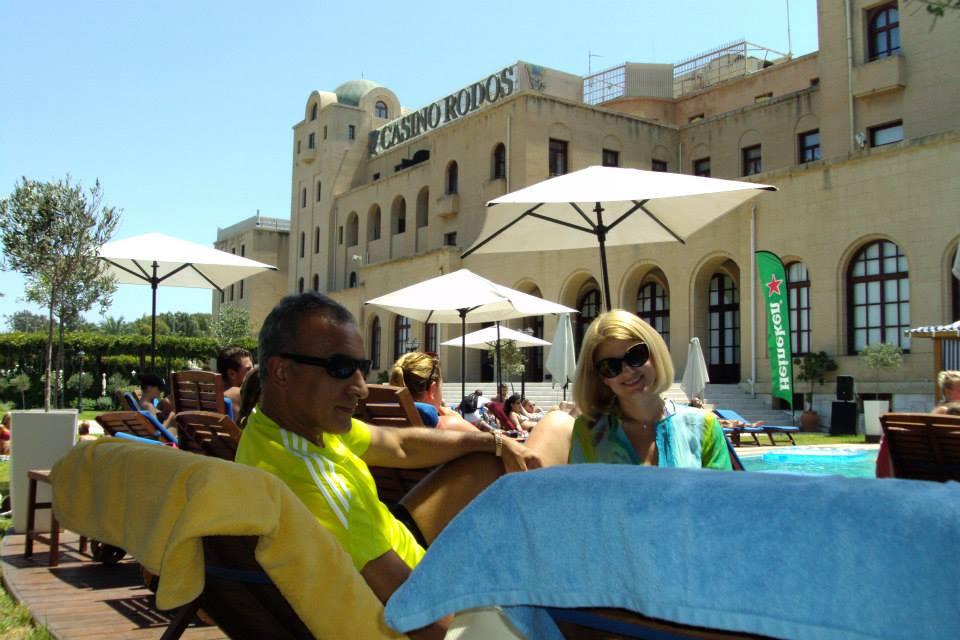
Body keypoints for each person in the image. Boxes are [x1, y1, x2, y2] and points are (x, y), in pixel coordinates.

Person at [235, 292, 542, 639]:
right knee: (554, 431)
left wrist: (494, 442)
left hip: (408, 552)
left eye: (361, 368)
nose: (361, 388)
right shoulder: (312, 483)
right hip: (423, 592)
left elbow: (400, 445)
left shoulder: (288, 428)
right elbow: (416, 612)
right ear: (281, 372)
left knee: (487, 460)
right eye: (340, 368)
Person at [525, 309, 732, 470]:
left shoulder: (703, 426)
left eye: (636, 356)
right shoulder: (587, 432)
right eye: (610, 366)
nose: (627, 371)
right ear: (601, 378)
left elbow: (721, 501)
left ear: (655, 353)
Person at [389, 352, 479, 432]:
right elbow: (486, 443)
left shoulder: (386, 421)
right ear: (432, 390)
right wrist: (459, 421)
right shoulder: (451, 425)